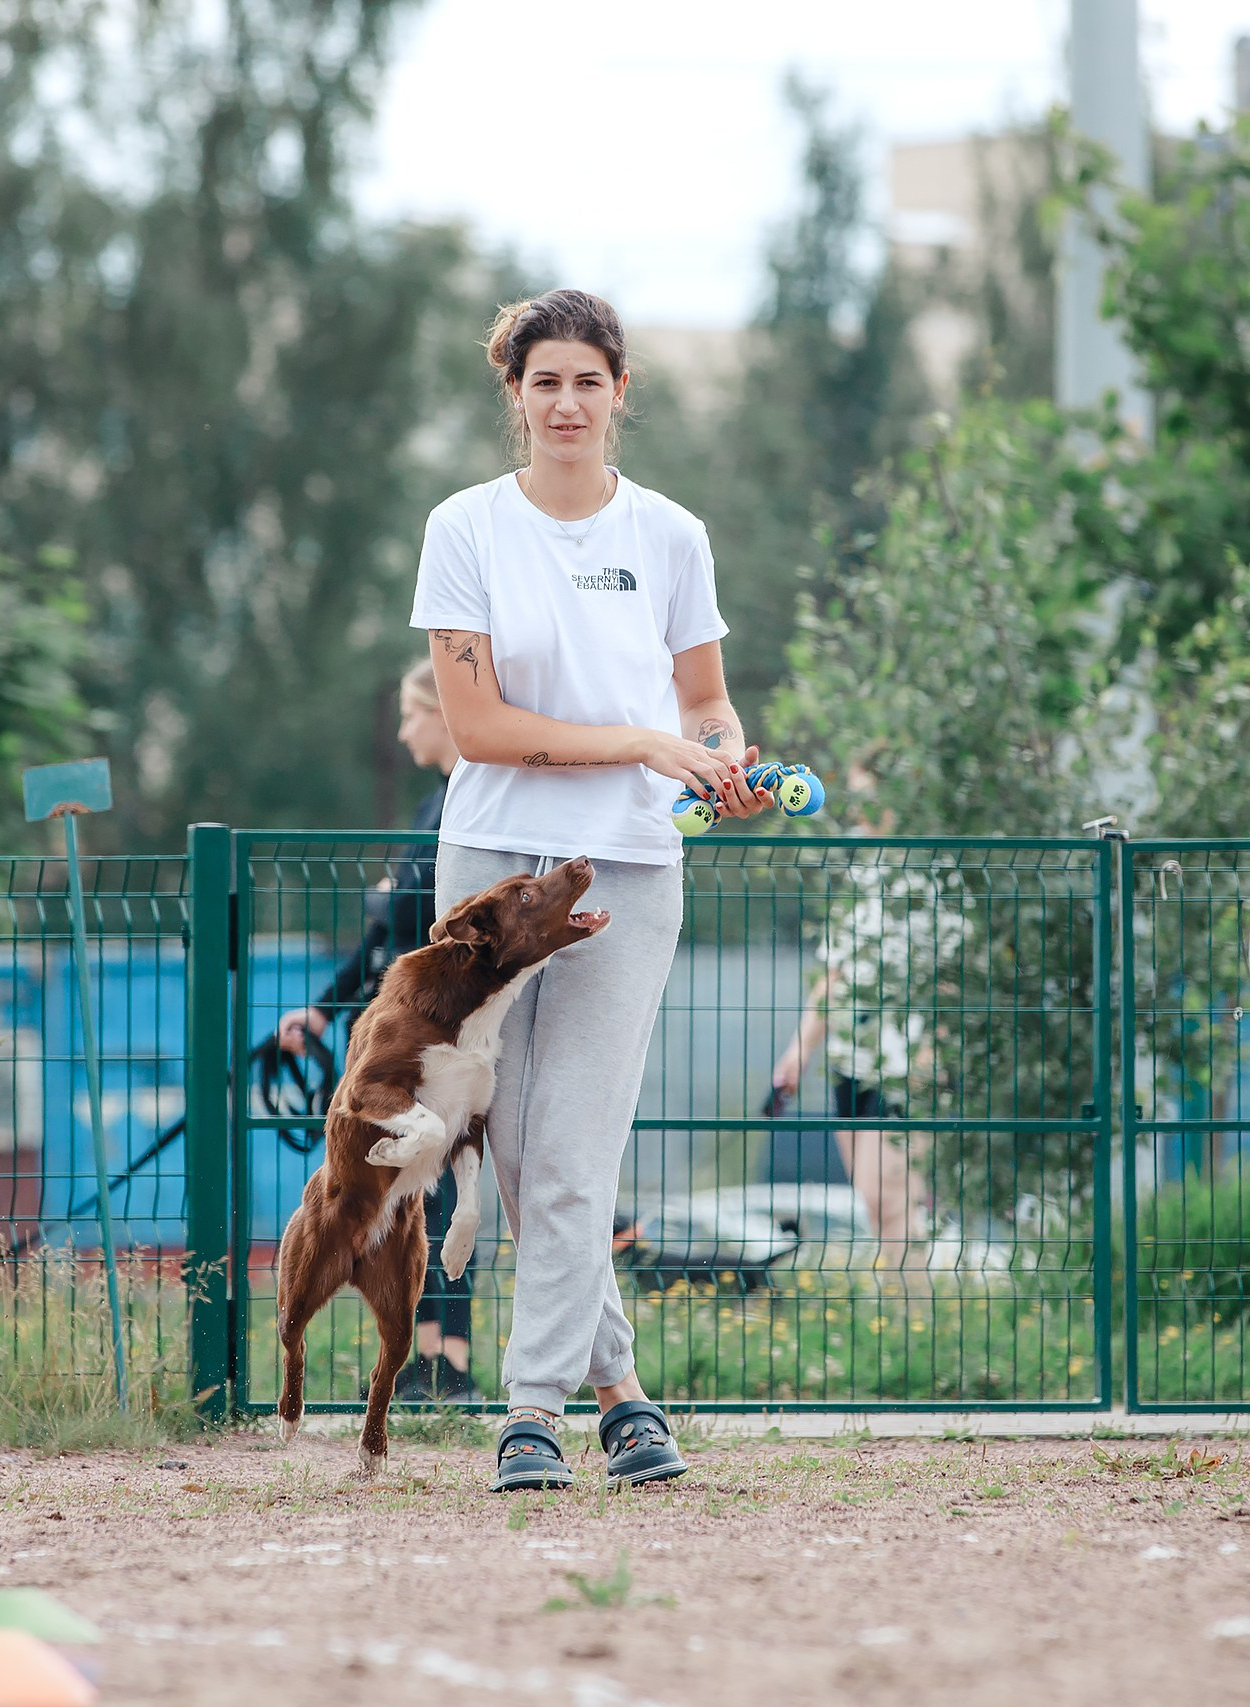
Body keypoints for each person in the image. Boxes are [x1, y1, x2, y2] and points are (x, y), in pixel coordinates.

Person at [412, 289, 772, 1490]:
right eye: (543, 380)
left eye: (587, 380)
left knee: (568, 1152)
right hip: (491, 875)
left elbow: (704, 700)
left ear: (622, 394)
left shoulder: (672, 533)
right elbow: (474, 725)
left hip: (631, 867)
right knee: (518, 1154)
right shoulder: (463, 527)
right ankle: (621, 1395)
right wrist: (640, 743)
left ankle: (531, 1417)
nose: (565, 401)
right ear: (512, 396)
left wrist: (726, 762)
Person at [275, 659, 475, 1400]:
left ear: (440, 713)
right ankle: (428, 1352)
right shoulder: (432, 808)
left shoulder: (469, 807)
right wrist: (323, 1009)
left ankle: (448, 1358)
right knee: (402, 1185)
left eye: (409, 714)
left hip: (439, 1036)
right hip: (397, 1027)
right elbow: (386, 942)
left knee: (441, 1185)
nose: (401, 729)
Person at [767, 763, 937, 1266]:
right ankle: (903, 1330)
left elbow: (951, 978)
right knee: (875, 1207)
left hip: (908, 1069)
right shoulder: (862, 874)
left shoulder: (931, 876)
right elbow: (834, 974)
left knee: (895, 1205)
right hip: (851, 1064)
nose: (859, 810)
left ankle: (917, 1330)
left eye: (871, 796)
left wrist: (933, 1055)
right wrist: (797, 1055)